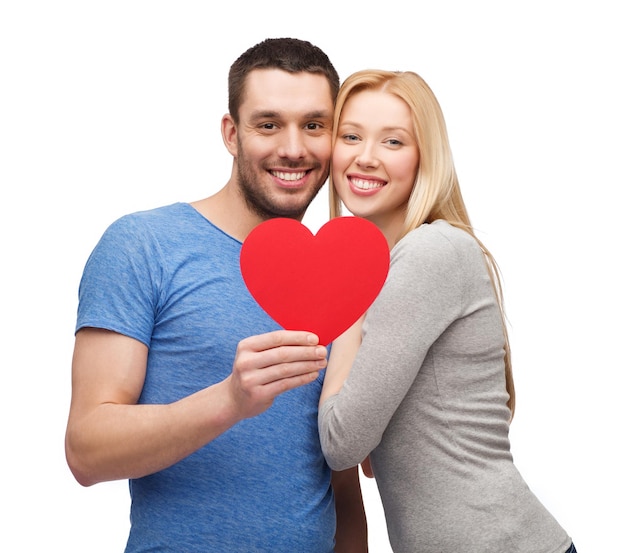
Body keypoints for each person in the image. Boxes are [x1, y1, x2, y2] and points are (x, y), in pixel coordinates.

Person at [65, 38, 368, 552]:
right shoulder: (143, 245)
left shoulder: (343, 277)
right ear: (231, 133)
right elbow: (86, 451)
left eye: (314, 125)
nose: (293, 148)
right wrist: (229, 401)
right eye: (268, 124)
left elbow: (339, 479)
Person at [317, 69, 576, 553]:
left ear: (424, 158)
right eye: (350, 136)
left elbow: (342, 443)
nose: (365, 157)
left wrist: (346, 304)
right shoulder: (401, 263)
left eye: (393, 141)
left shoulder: (430, 253)